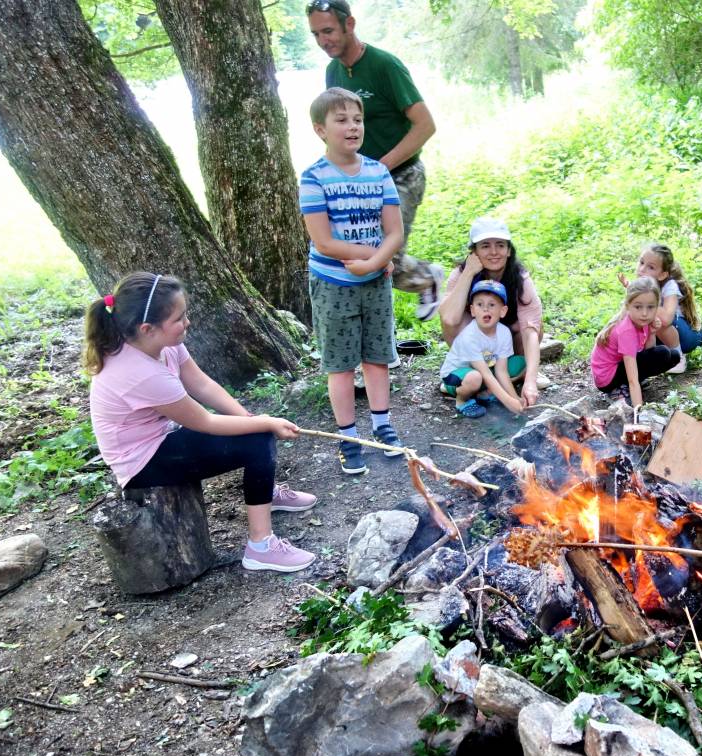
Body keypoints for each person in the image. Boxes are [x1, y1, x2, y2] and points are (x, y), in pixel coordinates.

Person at [85, 273, 317, 573]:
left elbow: (202, 384)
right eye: (179, 318)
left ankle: (265, 491)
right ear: (147, 328)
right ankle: (261, 548)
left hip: (162, 435)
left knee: (255, 430)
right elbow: (205, 422)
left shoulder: (161, 343)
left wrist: (248, 418)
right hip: (140, 461)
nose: (188, 322)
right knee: (258, 440)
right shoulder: (140, 373)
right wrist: (265, 423)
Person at [306, 0, 444, 320]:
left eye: (328, 31)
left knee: (383, 258)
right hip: (359, 180)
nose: (323, 40)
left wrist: (381, 167)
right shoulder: (333, 71)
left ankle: (426, 278)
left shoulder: (385, 65)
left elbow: (425, 125)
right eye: (316, 34)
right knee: (356, 251)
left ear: (349, 24)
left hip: (401, 174)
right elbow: (336, 126)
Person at [300, 87, 406, 475]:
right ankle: (348, 437)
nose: (352, 127)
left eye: (358, 120)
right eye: (341, 120)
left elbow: (394, 231)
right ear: (320, 129)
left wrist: (375, 262)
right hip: (333, 284)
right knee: (341, 364)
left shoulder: (378, 172)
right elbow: (324, 242)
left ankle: (383, 426)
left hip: (375, 282)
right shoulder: (313, 178)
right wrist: (372, 257)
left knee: (377, 357)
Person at [438, 217, 546, 407]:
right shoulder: (461, 273)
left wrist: (530, 381)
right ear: (474, 251)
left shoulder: (520, 277)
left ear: (509, 250)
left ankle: (514, 376)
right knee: (455, 320)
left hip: (506, 344)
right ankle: (465, 376)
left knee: (535, 326)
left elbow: (531, 331)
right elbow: (449, 319)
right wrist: (469, 272)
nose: (494, 252)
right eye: (485, 246)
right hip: (474, 345)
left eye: (500, 245)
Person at [438, 280, 524, 418]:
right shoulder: (469, 336)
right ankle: (462, 400)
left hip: (484, 370)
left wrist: (514, 398)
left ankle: (485, 393)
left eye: (492, 305)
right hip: (456, 375)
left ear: (503, 311)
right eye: (480, 304)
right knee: (475, 377)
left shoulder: (504, 332)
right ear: (473, 310)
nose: (485, 309)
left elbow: (501, 370)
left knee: (519, 363)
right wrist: (508, 402)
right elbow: (485, 374)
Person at [590, 276, 681, 407]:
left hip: (620, 366)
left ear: (657, 307)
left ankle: (629, 383)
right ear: (628, 306)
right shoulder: (626, 331)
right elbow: (633, 380)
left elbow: (649, 353)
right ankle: (616, 390)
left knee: (673, 356)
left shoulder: (642, 320)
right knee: (663, 353)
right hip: (607, 378)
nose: (644, 313)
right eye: (638, 307)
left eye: (650, 307)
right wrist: (639, 410)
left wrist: (652, 333)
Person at [619, 243, 702, 373]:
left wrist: (645, 298)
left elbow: (666, 319)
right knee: (637, 315)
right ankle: (646, 358)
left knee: (655, 319)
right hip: (663, 338)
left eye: (651, 267)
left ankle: (678, 359)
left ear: (662, 275)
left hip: (686, 337)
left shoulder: (670, 286)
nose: (642, 269)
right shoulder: (643, 286)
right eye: (641, 262)